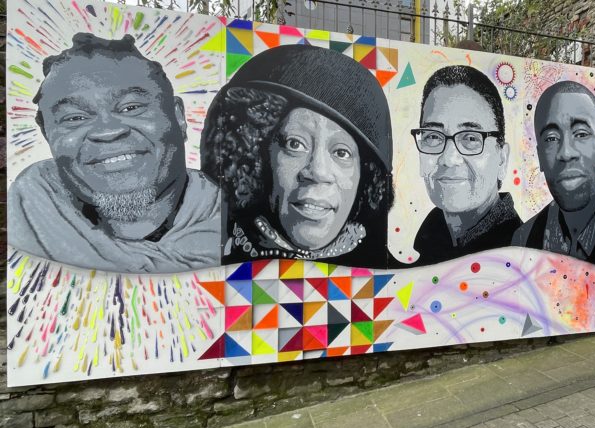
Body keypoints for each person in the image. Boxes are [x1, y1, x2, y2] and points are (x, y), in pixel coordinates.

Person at [8, 33, 221, 273]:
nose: (107, 131)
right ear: (48, 135)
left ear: (178, 117)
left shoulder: (244, 225)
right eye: (75, 117)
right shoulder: (30, 211)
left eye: (131, 107)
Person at [201, 45, 394, 268]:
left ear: (366, 177)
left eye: (341, 152)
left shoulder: (392, 281)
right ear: (258, 156)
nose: (318, 171)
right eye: (295, 144)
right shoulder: (210, 267)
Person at [512, 81, 595, 272]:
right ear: (540, 157)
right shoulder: (524, 240)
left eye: (581, 134)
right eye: (551, 138)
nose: (566, 153)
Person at [411, 65, 520, 266]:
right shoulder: (424, 246)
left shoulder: (521, 258)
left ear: (502, 159)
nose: (449, 158)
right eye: (433, 136)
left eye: (471, 138)